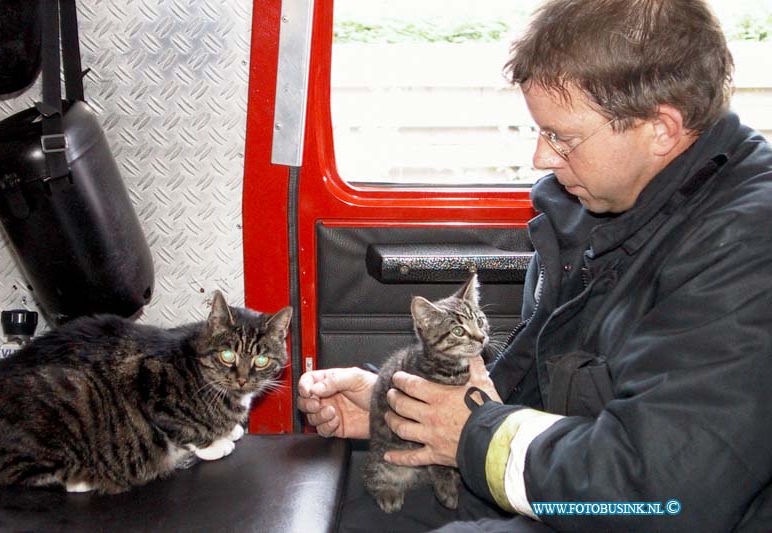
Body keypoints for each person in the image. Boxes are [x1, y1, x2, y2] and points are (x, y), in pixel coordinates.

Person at [299, 0, 772, 531]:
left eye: (562, 137)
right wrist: (408, 411)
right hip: (566, 482)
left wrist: (474, 434)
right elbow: (534, 392)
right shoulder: (588, 211)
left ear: (660, 128)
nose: (541, 160)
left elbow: (661, 496)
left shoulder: (748, 247)